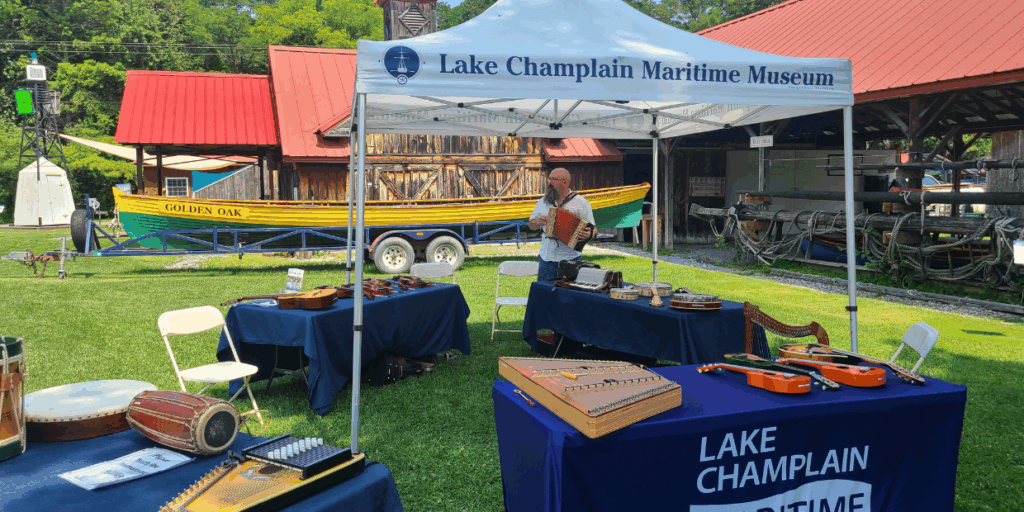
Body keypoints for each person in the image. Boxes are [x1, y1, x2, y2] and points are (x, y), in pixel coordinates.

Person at [528, 168, 596, 282]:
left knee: (568, 296)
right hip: (546, 258)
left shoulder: (581, 202)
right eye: (549, 178)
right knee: (545, 295)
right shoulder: (542, 201)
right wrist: (536, 222)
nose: (549, 182)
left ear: (565, 182)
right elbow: (531, 225)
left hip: (570, 259)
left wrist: (588, 235)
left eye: (554, 179)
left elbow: (593, 230)